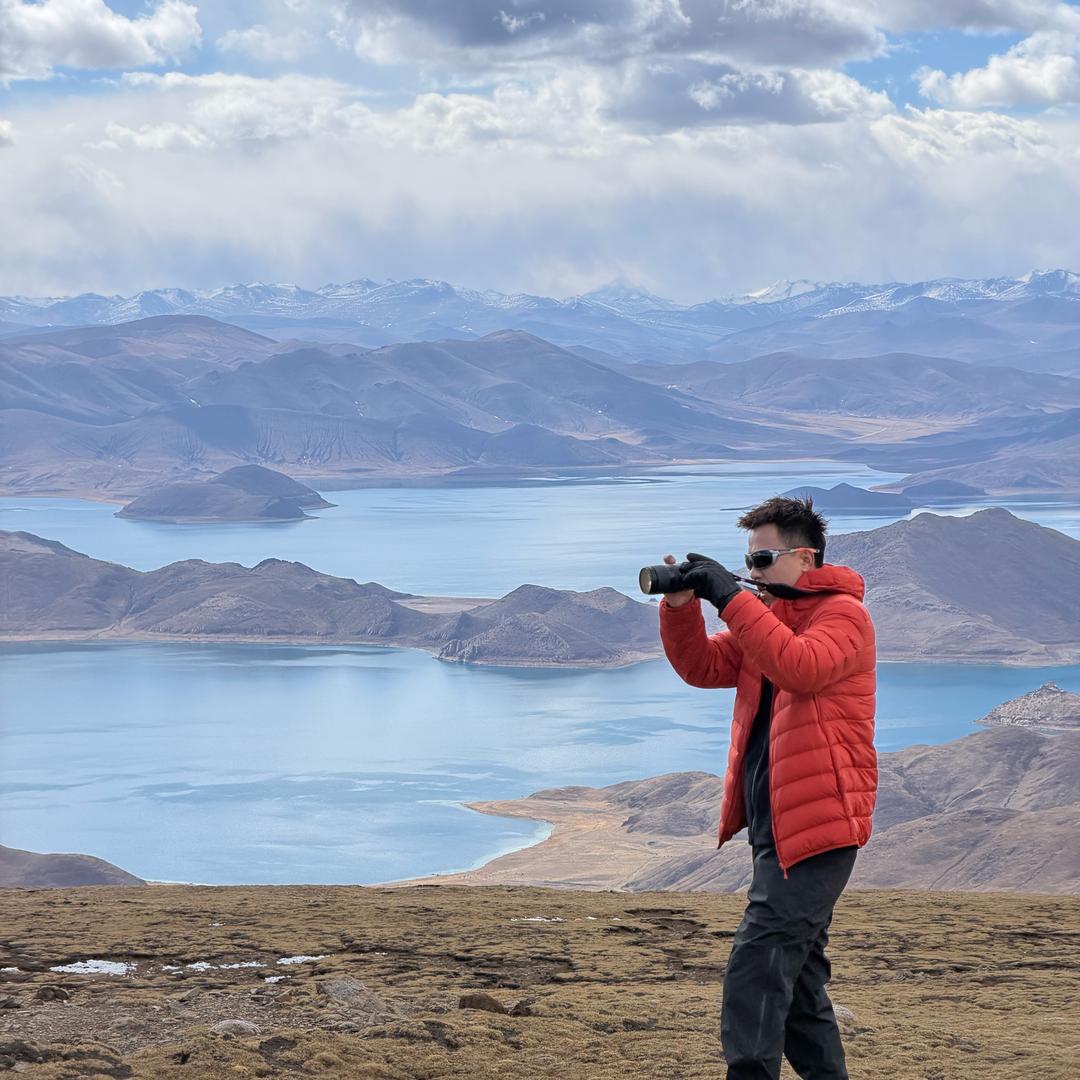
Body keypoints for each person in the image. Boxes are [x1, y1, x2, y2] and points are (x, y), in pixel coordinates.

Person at [657, 495, 877, 1080]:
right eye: (746, 563)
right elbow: (703, 666)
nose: (751, 573)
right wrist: (682, 606)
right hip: (774, 827)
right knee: (799, 979)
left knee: (759, 959)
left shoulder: (844, 618)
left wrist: (729, 598)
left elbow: (799, 668)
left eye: (762, 560)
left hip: (821, 827)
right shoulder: (770, 620)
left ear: (805, 558)